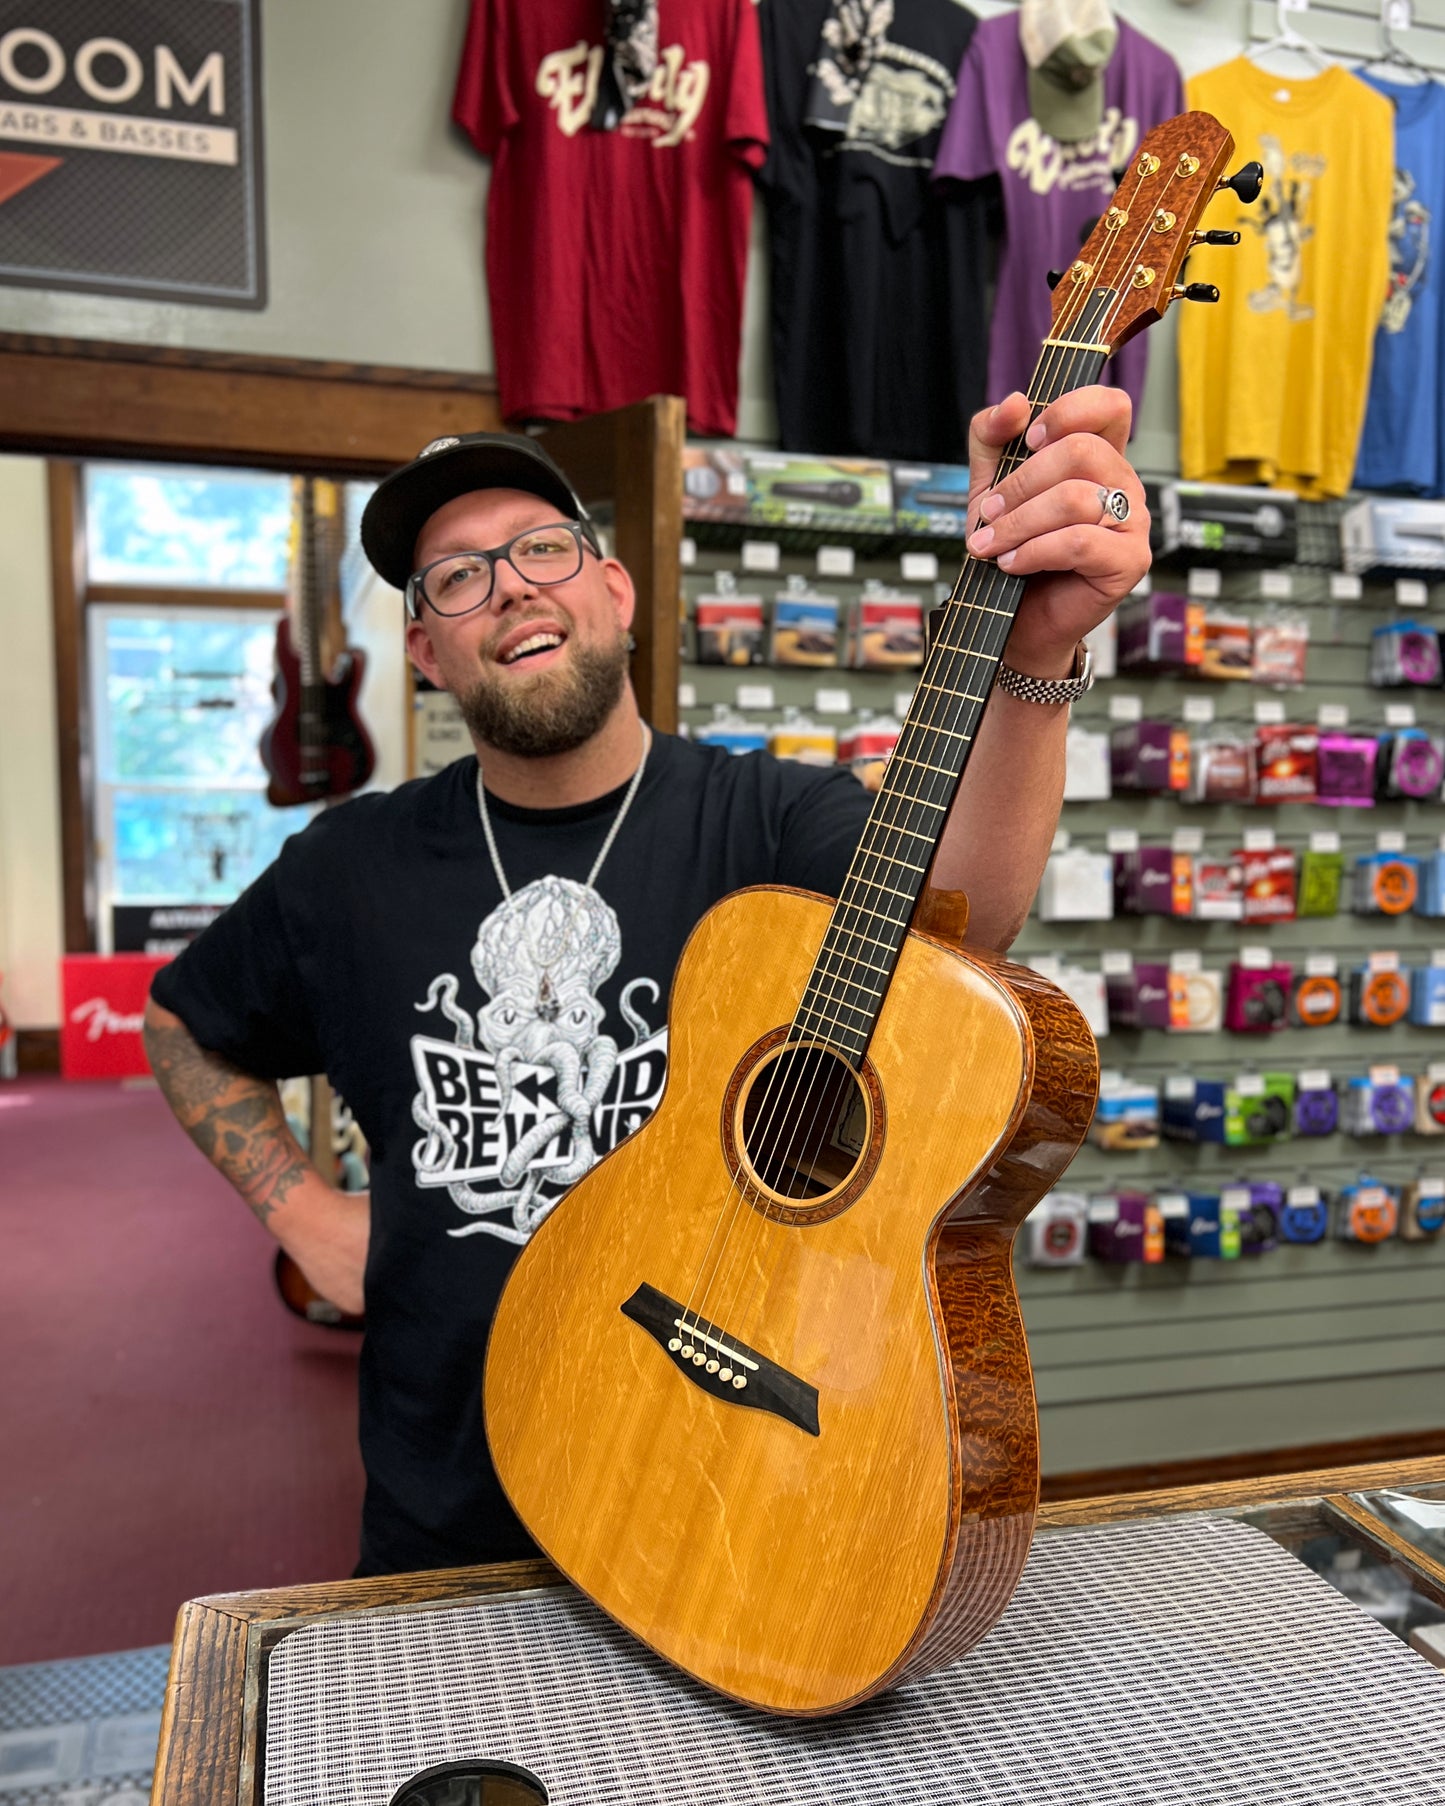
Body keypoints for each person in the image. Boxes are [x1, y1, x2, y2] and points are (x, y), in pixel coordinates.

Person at [143, 386, 1148, 1577]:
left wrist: (1031, 661)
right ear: (425, 651)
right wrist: (301, 1215)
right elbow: (184, 1023)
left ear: (611, 592)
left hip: (737, 1476)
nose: (509, 585)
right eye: (455, 579)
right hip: (451, 1514)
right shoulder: (346, 868)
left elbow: (963, 933)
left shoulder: (771, 820)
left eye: (541, 549)